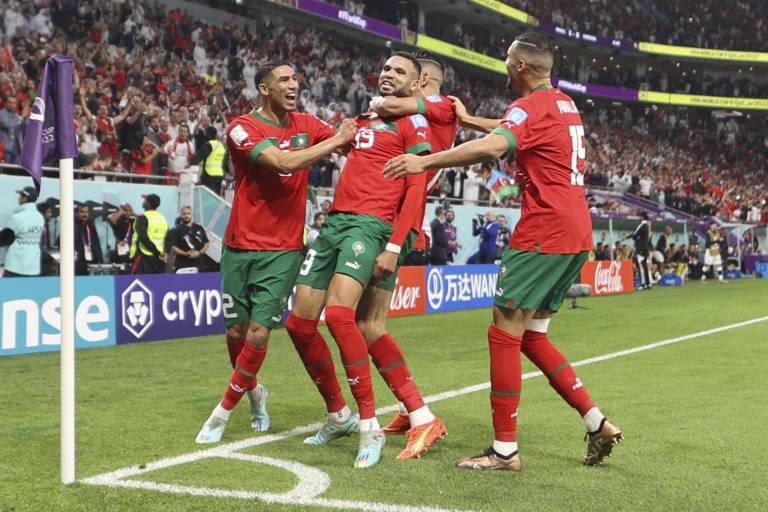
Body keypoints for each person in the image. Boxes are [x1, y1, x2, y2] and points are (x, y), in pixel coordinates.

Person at [384, 32, 622, 471]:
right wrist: (472, 120)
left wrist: (426, 160)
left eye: (508, 58)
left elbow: (500, 145)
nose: (504, 64)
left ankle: (504, 450)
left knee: (504, 332)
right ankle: (596, 421)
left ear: (522, 66)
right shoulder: (562, 104)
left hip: (543, 230)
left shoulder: (527, 107)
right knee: (533, 337)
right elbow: (515, 132)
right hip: (575, 230)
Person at [194, 62, 357, 445]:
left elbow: (350, 139)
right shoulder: (241, 128)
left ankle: (220, 414)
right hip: (238, 245)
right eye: (284, 79)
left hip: (283, 249)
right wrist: (335, 142)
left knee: (259, 332)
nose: (293, 84)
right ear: (264, 89)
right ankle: (254, 393)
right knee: (236, 331)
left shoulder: (306, 124)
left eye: (295, 78)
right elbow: (283, 163)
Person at [284, 52, 432, 468]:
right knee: (298, 323)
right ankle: (339, 416)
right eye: (386, 68)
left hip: (371, 228)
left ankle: (370, 425)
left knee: (340, 316)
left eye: (400, 71)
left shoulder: (412, 124)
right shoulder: (363, 120)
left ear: (416, 86)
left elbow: (416, 189)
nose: (388, 75)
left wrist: (395, 244)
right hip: (334, 224)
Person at [357, 49, 458, 458]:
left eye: (420, 82)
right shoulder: (433, 115)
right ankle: (408, 407)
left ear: (424, 83)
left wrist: (395, 242)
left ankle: (421, 414)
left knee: (369, 324)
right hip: (392, 218)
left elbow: (387, 102)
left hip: (394, 222)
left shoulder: (438, 110)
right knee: (365, 322)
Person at [2, 187, 44, 277]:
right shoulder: (40, 217)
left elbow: (5, 238)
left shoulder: (18, 218)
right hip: (33, 266)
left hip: (16, 265)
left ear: (25, 198)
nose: (18, 198)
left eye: (20, 195)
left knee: (8, 290)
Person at [129, 194, 169, 274]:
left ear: (148, 203)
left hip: (144, 256)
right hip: (159, 258)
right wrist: (162, 252)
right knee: (156, 283)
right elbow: (168, 238)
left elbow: (143, 237)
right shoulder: (163, 218)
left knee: (139, 282)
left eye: (145, 200)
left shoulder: (143, 218)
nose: (143, 201)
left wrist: (156, 251)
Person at [170, 206, 209, 272]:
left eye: (188, 213)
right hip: (182, 264)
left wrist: (199, 253)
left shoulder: (199, 228)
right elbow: (173, 247)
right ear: (181, 215)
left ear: (191, 214)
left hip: (198, 264)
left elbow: (206, 243)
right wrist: (185, 253)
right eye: (184, 214)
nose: (186, 216)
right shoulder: (176, 230)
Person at [190, 126, 227, 195]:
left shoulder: (209, 145)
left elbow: (199, 157)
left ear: (208, 134)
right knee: (216, 196)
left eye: (205, 134)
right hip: (220, 175)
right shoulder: (222, 146)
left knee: (207, 196)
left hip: (209, 175)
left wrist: (190, 164)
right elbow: (225, 162)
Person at [623, 212, 651, 289]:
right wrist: (637, 237)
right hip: (645, 248)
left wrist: (627, 237)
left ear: (642, 217)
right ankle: (648, 284)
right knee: (645, 266)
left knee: (641, 266)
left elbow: (635, 234)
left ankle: (643, 284)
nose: (639, 218)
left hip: (640, 248)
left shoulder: (642, 225)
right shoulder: (647, 225)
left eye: (640, 216)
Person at [73, 204, 103, 275]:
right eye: (82, 212)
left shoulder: (90, 225)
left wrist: (100, 261)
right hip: (77, 264)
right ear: (76, 213)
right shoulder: (71, 226)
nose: (85, 214)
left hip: (91, 263)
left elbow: (96, 244)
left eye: (86, 212)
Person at [107, 203, 135, 269]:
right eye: (126, 210)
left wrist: (133, 213)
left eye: (129, 210)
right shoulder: (118, 221)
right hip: (119, 253)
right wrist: (121, 211)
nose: (128, 212)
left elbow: (143, 218)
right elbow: (112, 219)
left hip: (131, 252)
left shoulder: (132, 221)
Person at [0, 96, 23, 164]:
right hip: (4, 149)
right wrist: (21, 118)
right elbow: (9, 126)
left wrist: (28, 117)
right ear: (5, 103)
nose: (12, 104)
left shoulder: (18, 116)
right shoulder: (1, 114)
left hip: (16, 149)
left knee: (13, 172)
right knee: (5, 172)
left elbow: (27, 127)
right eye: (10, 102)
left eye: (14, 103)